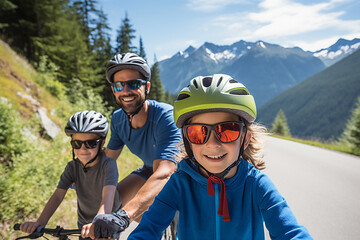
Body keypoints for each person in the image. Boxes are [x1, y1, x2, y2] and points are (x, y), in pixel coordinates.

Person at [127, 74, 313, 239]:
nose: (213, 144)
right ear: (187, 140)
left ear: (245, 139)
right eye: (198, 133)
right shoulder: (179, 184)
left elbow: (290, 233)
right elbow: (148, 229)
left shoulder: (256, 184)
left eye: (227, 130)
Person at [90, 53, 182, 239]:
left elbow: (165, 173)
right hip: (149, 169)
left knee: (182, 228)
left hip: (180, 176)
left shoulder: (166, 117)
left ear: (146, 87)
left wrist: (124, 216)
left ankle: (165, 223)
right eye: (118, 85)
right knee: (113, 201)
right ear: (113, 90)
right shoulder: (117, 119)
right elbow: (107, 161)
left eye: (133, 84)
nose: (126, 91)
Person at [19, 110, 121, 239]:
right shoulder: (72, 167)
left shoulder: (108, 165)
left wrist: (98, 222)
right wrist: (40, 222)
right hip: (83, 224)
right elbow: (57, 196)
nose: (83, 149)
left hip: (106, 222)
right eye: (77, 144)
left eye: (90, 143)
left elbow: (107, 199)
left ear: (102, 143)